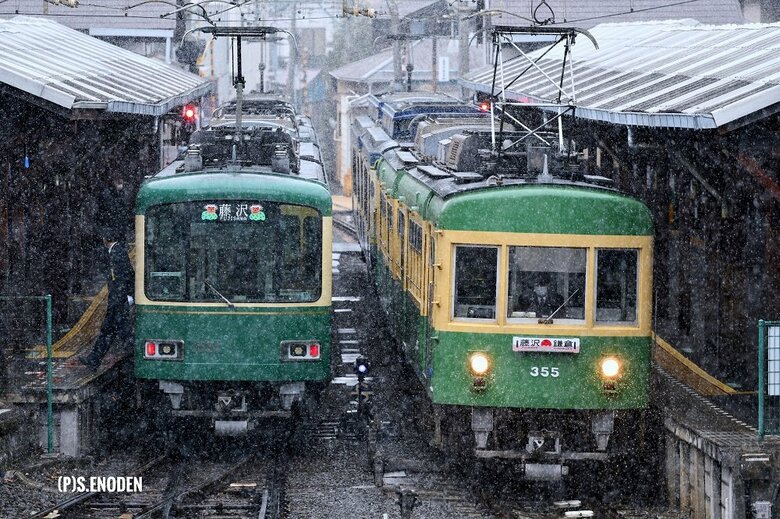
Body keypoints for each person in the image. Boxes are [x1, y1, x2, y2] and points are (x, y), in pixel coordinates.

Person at [79, 227, 135, 370]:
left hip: (118, 300)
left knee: (119, 332)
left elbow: (121, 277)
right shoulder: (117, 251)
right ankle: (94, 358)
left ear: (105, 240)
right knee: (110, 330)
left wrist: (125, 297)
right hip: (118, 299)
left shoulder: (116, 254)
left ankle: (136, 355)